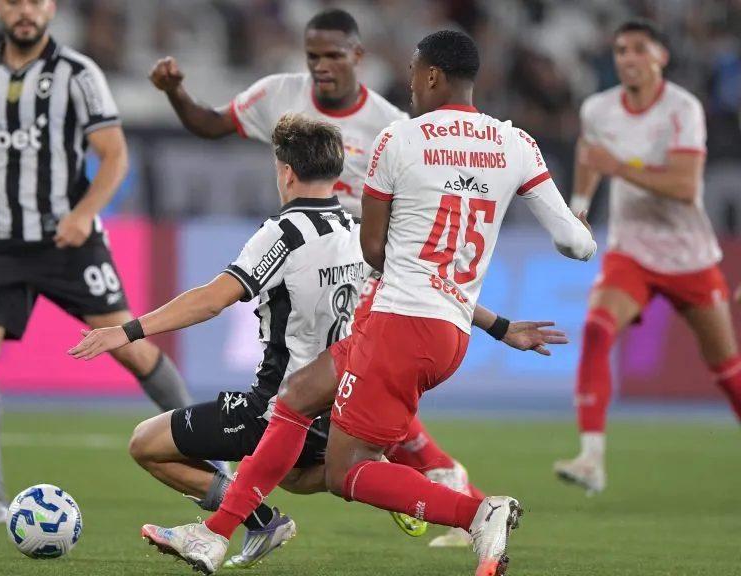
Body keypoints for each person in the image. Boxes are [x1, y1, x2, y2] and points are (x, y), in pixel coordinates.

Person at [137, 30, 597, 576]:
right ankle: (213, 535)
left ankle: (477, 513)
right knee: (298, 395)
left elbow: (373, 248)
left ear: (431, 76)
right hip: (450, 330)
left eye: (412, 73)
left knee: (346, 471)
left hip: (397, 322)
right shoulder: (516, 143)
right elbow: (575, 244)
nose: (408, 85)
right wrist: (511, 312)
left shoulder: (398, 140)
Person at [149, 7, 483, 550]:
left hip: (363, 266)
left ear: (357, 55)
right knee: (323, 408)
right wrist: (176, 94)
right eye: (313, 57)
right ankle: (427, 480)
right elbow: (211, 124)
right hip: (306, 261)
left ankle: (422, 482)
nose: (321, 67)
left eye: (332, 55)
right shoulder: (278, 94)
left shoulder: (390, 124)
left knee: (323, 396)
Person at [0, 0, 200, 523]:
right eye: (15, 2)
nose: (26, 12)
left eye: (36, 2)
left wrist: (86, 214)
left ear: (51, 9)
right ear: (0, 9)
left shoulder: (78, 74)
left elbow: (114, 155)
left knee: (129, 348)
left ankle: (208, 451)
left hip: (70, 240)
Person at [554, 19, 741, 496]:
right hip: (631, 251)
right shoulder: (598, 108)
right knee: (596, 329)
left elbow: (683, 186)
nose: (628, 58)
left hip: (689, 256)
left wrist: (620, 167)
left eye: (639, 49)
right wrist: (578, 206)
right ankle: (591, 459)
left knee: (726, 368)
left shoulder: (683, 109)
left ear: (661, 56)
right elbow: (588, 152)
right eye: (620, 50)